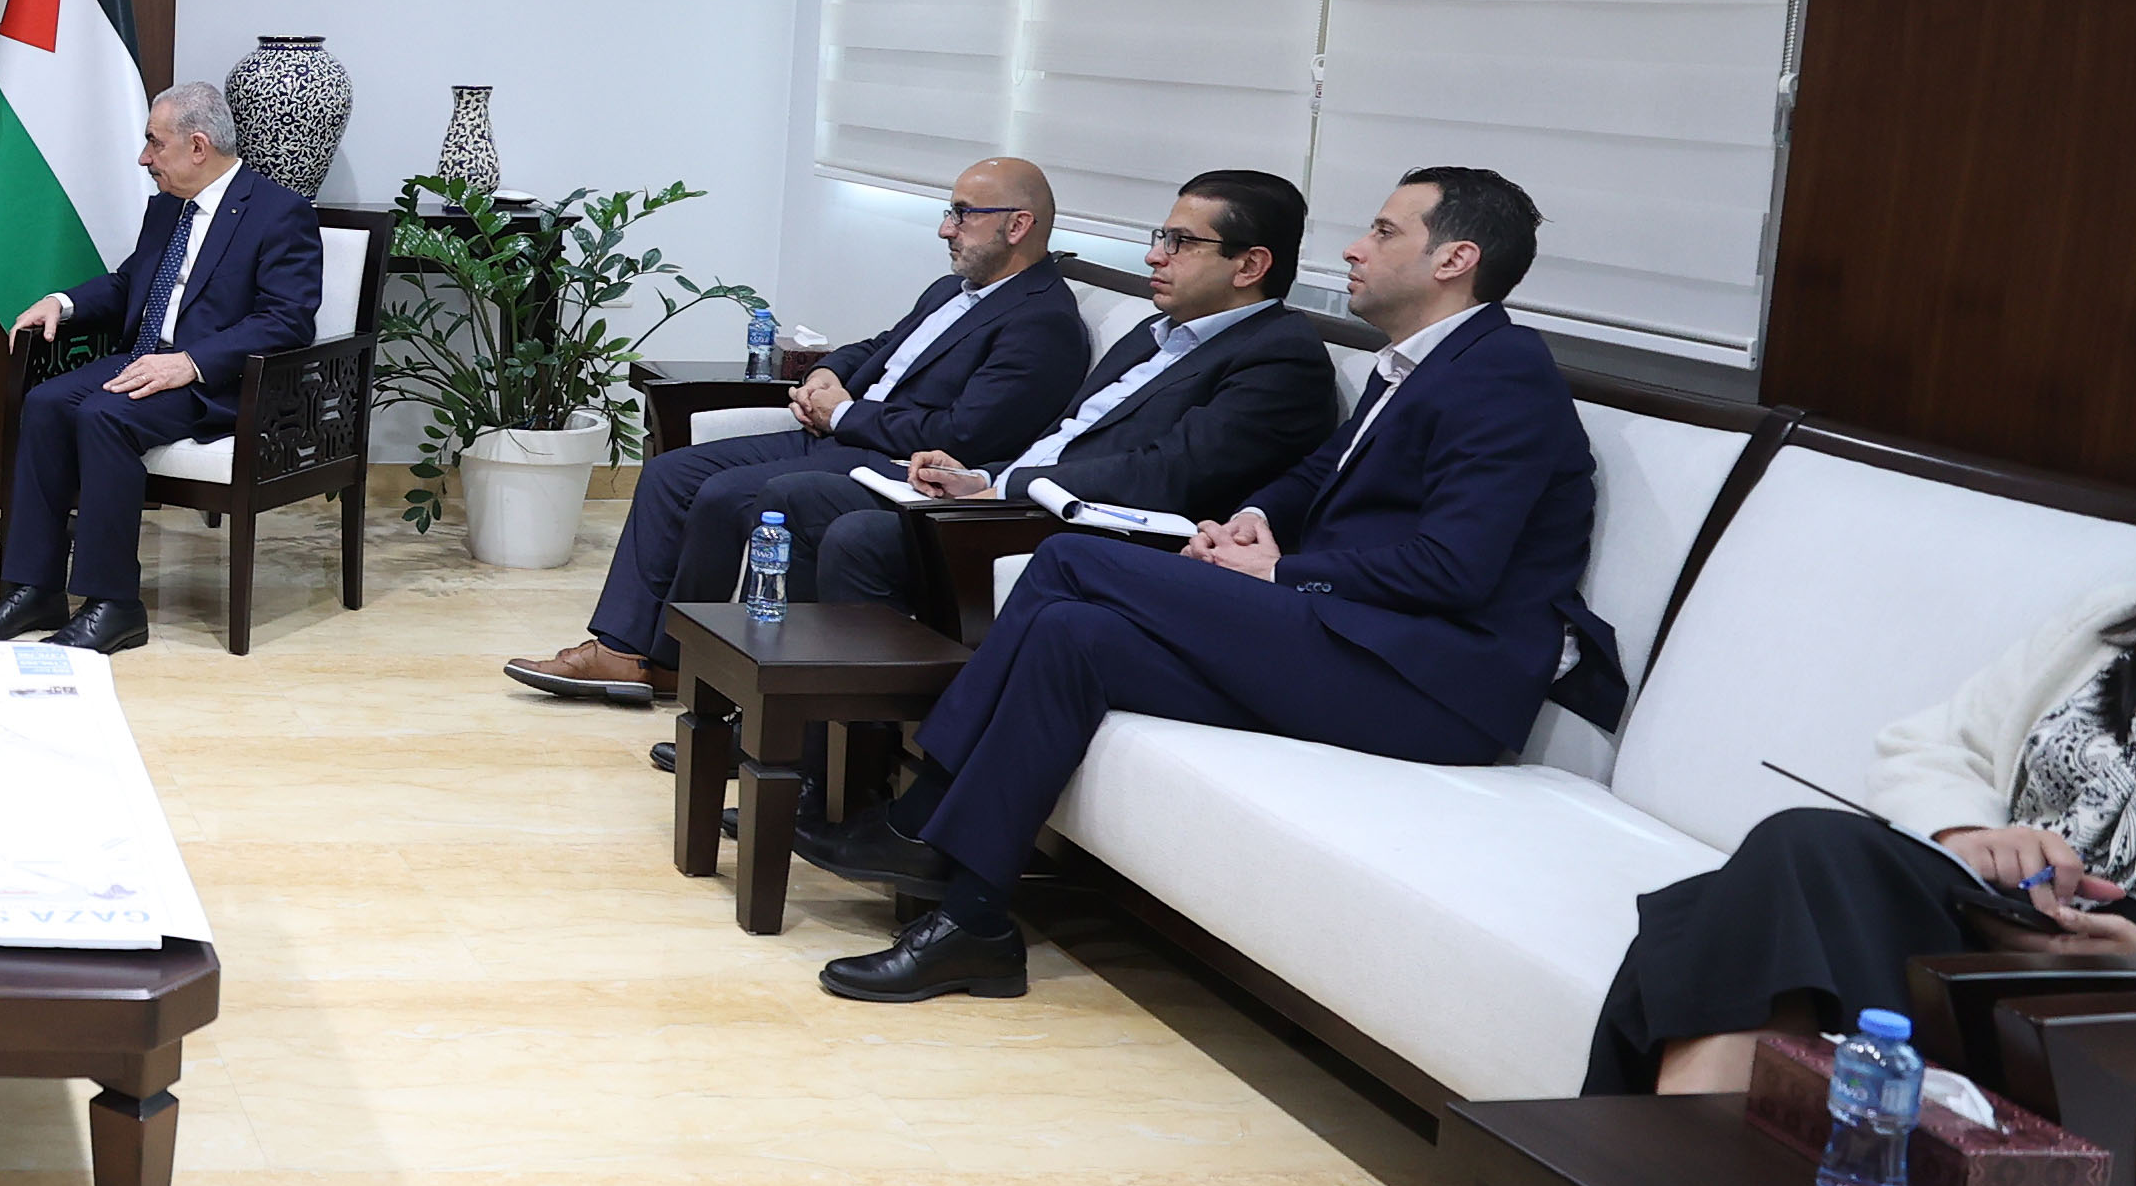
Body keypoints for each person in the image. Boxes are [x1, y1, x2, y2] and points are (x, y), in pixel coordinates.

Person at [798, 166, 1618, 1002]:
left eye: (1383, 232)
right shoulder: (1417, 363)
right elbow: (1321, 473)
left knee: (1073, 560)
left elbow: (1453, 567)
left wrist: (1283, 569)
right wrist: (1254, 519)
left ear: (1455, 259)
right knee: (1071, 634)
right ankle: (974, 925)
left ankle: (922, 817)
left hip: (1432, 681)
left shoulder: (1502, 375)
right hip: (1358, 639)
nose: (1353, 248)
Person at [1591, 351, 2136, 1087]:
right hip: (1998, 935)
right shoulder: (2124, 627)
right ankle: (1692, 1171)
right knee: (1800, 854)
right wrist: (1972, 834)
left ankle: (1666, 1176)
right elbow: (1932, 747)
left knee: (1711, 917)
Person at [505, 154, 1094, 702]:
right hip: (839, 435)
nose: (946, 229)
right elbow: (880, 347)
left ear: (1018, 225)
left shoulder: (1043, 322)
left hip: (893, 465)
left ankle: (676, 662)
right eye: (950, 212)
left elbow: (965, 436)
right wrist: (827, 374)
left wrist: (843, 414)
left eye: (963, 214)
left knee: (724, 494)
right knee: (669, 473)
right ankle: (623, 649)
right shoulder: (953, 291)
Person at [738, 170, 1341, 623]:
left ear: (1249, 265)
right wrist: (979, 477)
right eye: (1161, 236)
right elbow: (1064, 437)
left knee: (860, 538)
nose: (1154, 255)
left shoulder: (1280, 358)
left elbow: (1166, 475)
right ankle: (781, 714)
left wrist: (1008, 486)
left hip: (1085, 528)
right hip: (1010, 495)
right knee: (801, 495)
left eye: (1181, 243)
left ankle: (851, 746)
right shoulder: (1155, 332)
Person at [0, 82, 325, 657]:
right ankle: (34, 589)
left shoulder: (279, 213)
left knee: (104, 416)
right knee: (45, 403)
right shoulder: (168, 206)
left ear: (197, 146)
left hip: (221, 382)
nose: (145, 158)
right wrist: (62, 303)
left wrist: (191, 363)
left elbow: (288, 320)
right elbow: (131, 284)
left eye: (155, 143)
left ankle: (114, 605)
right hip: (145, 361)